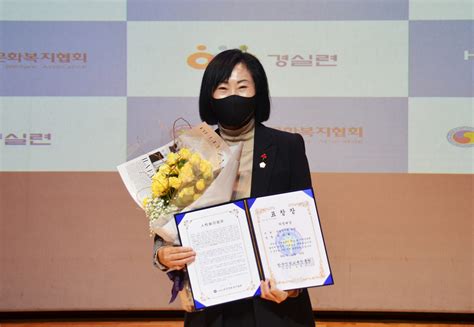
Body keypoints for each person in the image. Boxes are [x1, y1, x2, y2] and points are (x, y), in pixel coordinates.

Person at [153, 49, 315, 327]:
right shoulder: (188, 151)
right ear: (209, 96)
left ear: (257, 93)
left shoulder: (288, 146)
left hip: (274, 303)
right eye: (223, 88)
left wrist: (293, 286)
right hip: (212, 303)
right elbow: (168, 224)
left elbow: (303, 223)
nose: (233, 96)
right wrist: (162, 256)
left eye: (243, 87)